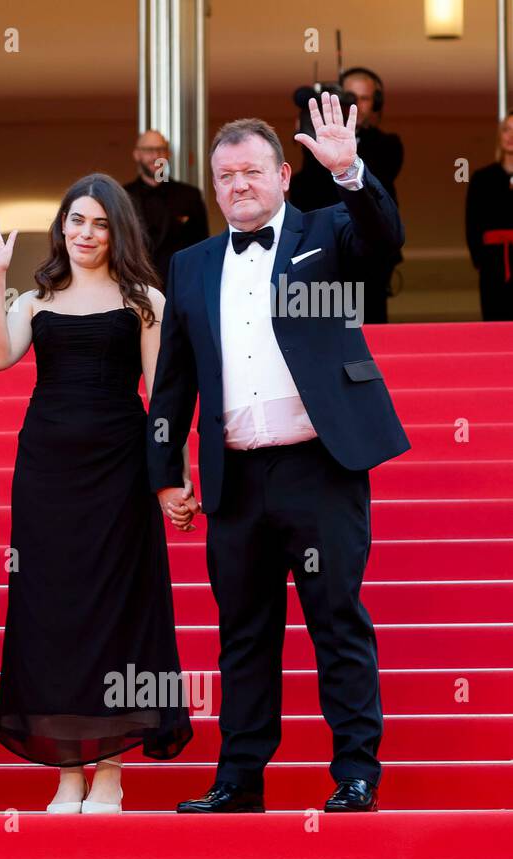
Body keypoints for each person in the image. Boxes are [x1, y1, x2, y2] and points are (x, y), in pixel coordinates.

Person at [148, 102, 409, 814]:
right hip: (234, 476)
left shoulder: (326, 232)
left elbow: (385, 241)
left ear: (283, 176)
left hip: (319, 467)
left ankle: (355, 772)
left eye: (251, 172)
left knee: (337, 620)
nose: (237, 186)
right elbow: (172, 380)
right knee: (243, 634)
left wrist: (350, 171)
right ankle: (239, 778)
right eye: (224, 176)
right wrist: (166, 472)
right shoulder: (191, 264)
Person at [0, 174, 193, 814]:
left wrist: (172, 478)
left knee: (113, 615)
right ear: (61, 227)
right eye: (76, 221)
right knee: (53, 616)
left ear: (116, 229)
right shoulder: (37, 299)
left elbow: (165, 401)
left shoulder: (143, 300)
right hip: (47, 476)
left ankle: (107, 776)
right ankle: (68, 772)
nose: (86, 233)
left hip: (121, 473)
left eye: (99, 223)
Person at [290, 68, 401, 324]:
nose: (357, 106)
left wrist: (347, 153)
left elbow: (378, 182)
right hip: (320, 255)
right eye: (350, 97)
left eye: (364, 99)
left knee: (370, 332)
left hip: (369, 256)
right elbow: (308, 187)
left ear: (377, 103)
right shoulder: (311, 162)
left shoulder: (387, 144)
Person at [123, 129, 209, 290]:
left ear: (168, 154)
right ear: (137, 154)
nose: (156, 156)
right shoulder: (122, 197)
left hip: (181, 288)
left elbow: (202, 247)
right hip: (135, 289)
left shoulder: (190, 195)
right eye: (149, 150)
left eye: (161, 149)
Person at [465, 112, 513, 321]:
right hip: (493, 264)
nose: (511, 136)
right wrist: (482, 260)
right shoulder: (483, 178)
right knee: (495, 321)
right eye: (506, 130)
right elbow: (472, 223)